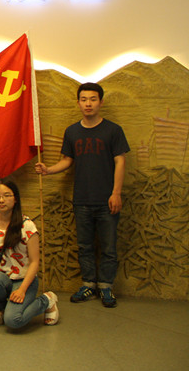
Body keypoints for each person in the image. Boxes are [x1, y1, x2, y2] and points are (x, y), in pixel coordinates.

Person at [35, 82, 129, 308]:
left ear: (101, 102)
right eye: (84, 99)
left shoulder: (113, 130)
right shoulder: (72, 132)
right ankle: (88, 284)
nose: (88, 104)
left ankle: (106, 287)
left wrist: (116, 193)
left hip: (107, 200)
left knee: (108, 247)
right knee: (85, 246)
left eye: (93, 99)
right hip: (82, 200)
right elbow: (68, 160)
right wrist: (48, 170)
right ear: (78, 103)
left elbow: (120, 161)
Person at [0, 178, 58, 329]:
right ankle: (2, 308)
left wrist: (22, 290)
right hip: (3, 279)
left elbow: (35, 262)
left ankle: (47, 300)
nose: (1, 200)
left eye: (6, 195)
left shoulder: (27, 226)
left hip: (24, 280)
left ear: (15, 198)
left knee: (13, 321)